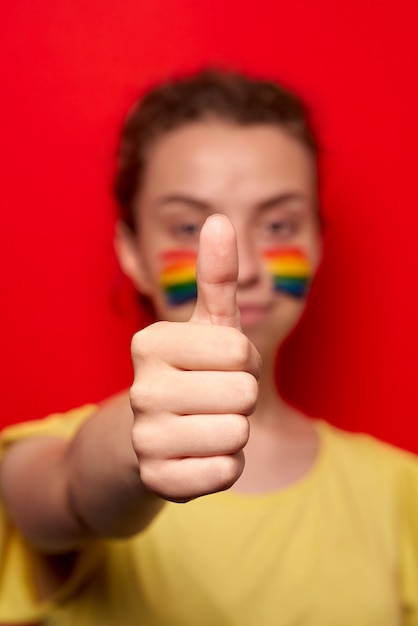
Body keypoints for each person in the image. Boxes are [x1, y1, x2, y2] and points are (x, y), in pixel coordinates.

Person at [1, 68, 418, 626]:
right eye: (186, 226)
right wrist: (133, 447)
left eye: (277, 224)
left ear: (317, 241)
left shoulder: (398, 490)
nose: (241, 264)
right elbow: (67, 493)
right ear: (132, 254)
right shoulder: (39, 460)